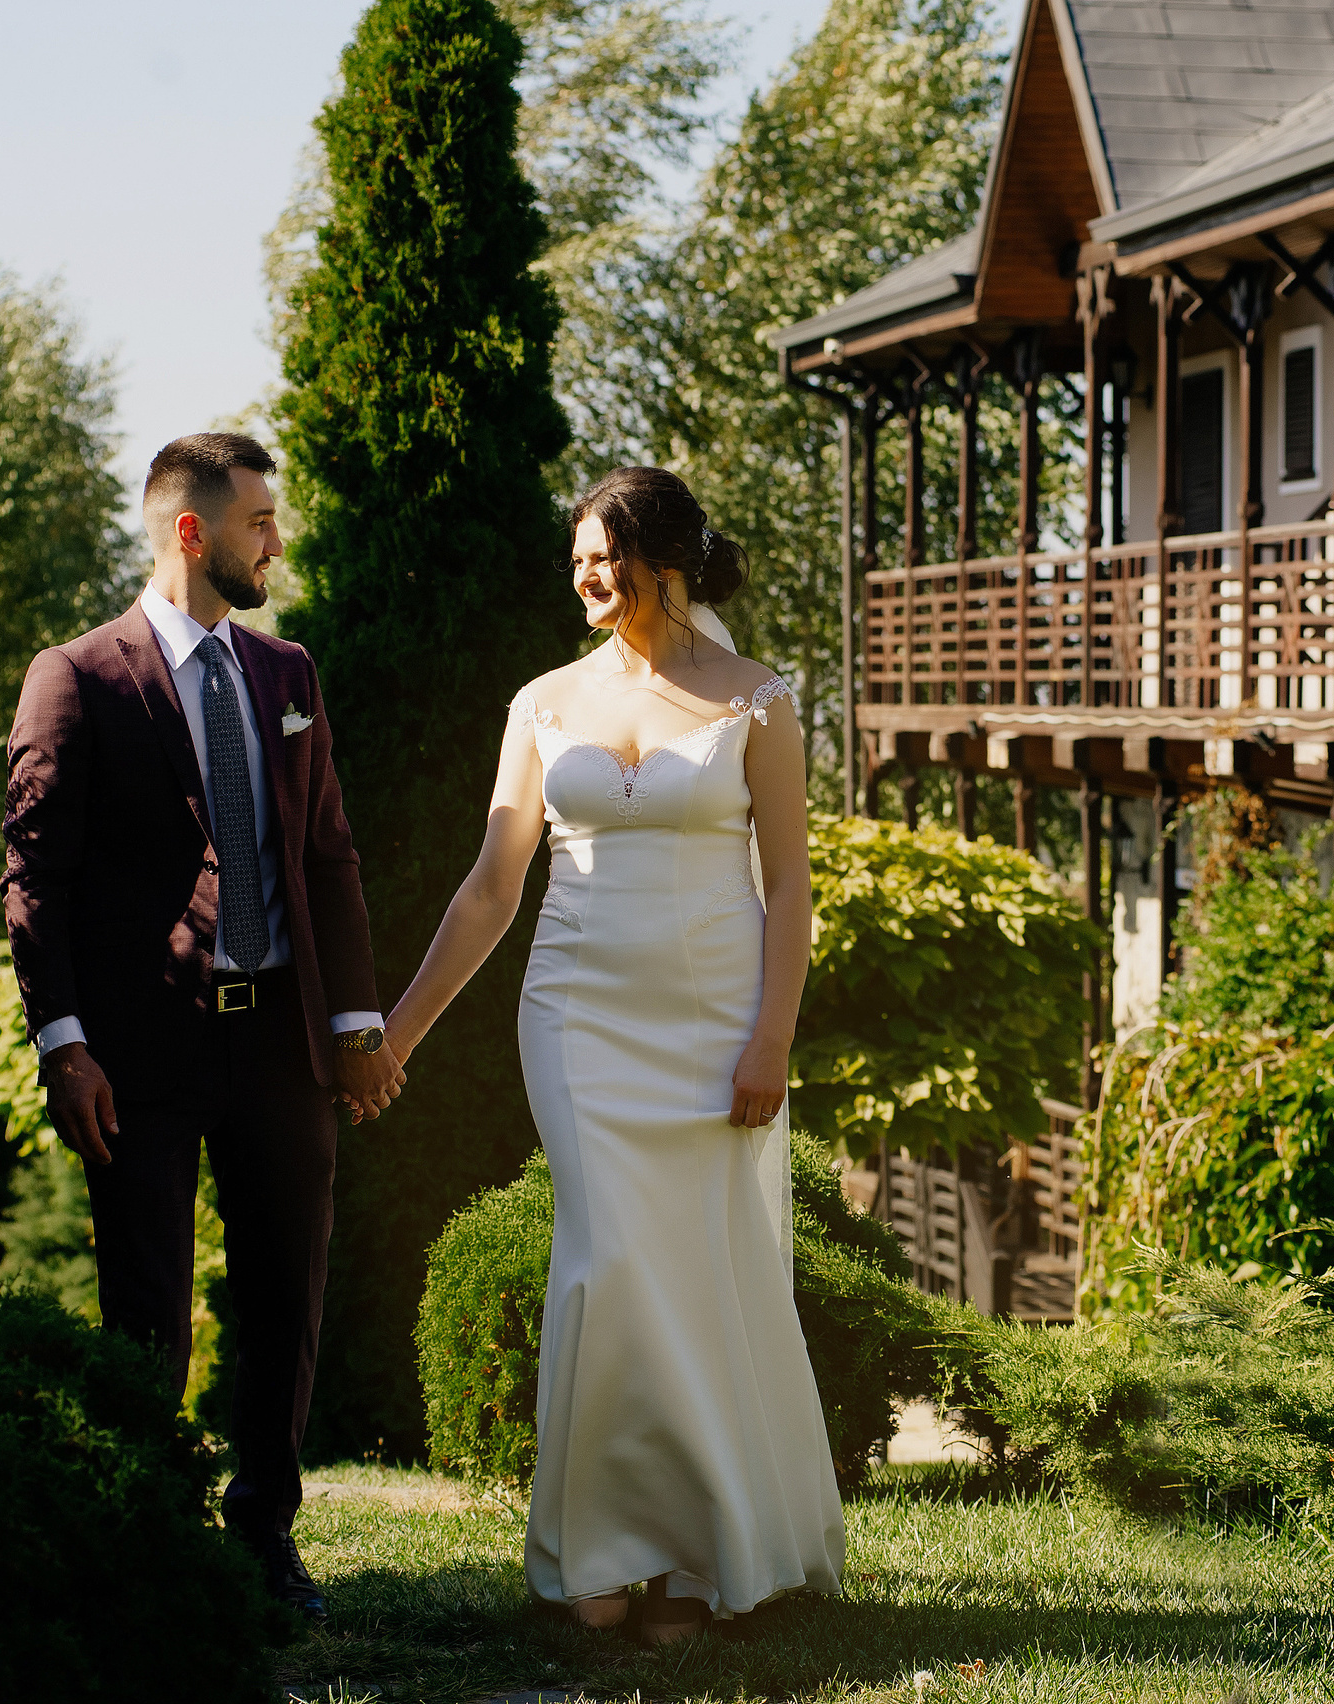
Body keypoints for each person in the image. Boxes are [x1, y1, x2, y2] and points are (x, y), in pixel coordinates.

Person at [384, 465, 843, 1645]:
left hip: (716, 1022)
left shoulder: (759, 701)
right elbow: (493, 888)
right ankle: (599, 1542)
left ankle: (697, 1555)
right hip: (577, 1017)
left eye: (606, 554)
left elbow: (790, 886)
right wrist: (398, 1033)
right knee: (603, 1261)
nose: (587, 575)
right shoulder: (541, 704)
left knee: (697, 1268)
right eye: (578, 557)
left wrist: (772, 1040)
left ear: (667, 558)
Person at [1, 432, 406, 1626]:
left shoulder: (287, 674)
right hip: (140, 1057)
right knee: (148, 1311)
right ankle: (146, 1539)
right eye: (259, 524)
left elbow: (328, 856)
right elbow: (35, 878)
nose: (275, 540)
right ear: (193, 532)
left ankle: (266, 1540)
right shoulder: (75, 676)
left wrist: (356, 1020)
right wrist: (62, 1043)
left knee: (288, 1296)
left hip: (279, 1047)